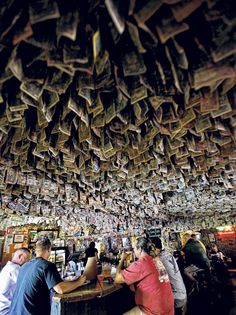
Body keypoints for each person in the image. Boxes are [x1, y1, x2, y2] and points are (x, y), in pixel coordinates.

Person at [10, 237, 86, 315]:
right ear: (49, 249)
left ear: (36, 251)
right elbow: (61, 289)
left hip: (14, 312)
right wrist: (79, 282)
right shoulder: (46, 266)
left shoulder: (25, 266)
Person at [115, 237, 174, 315]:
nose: (133, 251)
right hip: (168, 308)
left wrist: (122, 259)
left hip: (155, 311)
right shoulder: (156, 259)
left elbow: (117, 279)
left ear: (140, 249)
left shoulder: (141, 264)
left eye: (134, 249)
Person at [152, 237, 187, 315]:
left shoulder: (158, 260)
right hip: (183, 293)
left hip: (175, 297)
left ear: (154, 247)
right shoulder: (168, 254)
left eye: (150, 248)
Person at [0, 248, 30, 315]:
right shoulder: (15, 269)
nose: (28, 261)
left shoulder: (8, 267)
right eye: (27, 258)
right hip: (7, 309)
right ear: (20, 257)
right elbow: (27, 285)